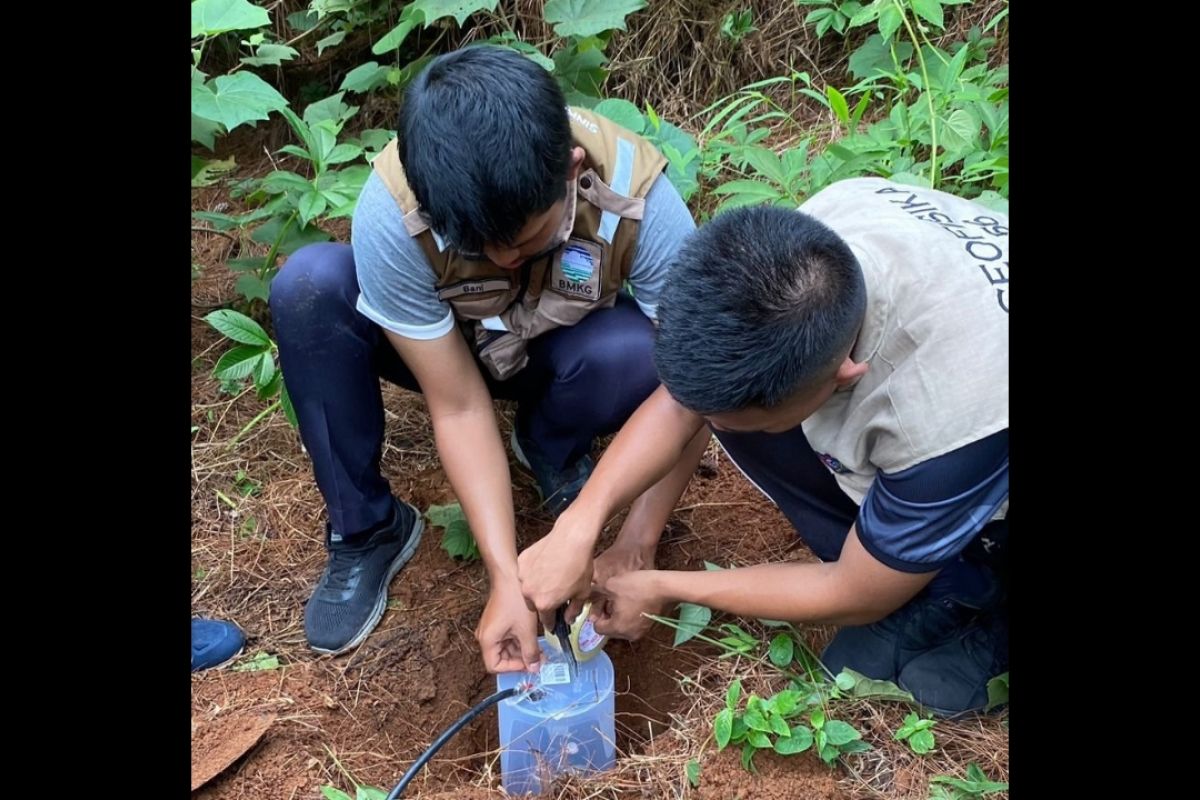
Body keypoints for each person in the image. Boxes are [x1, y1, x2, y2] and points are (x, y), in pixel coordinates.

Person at [268, 45, 697, 671]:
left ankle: (547, 445)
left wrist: (634, 540)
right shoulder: (396, 209)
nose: (503, 260)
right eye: (480, 246)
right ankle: (366, 528)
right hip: (451, 354)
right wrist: (505, 577)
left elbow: (697, 383)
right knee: (311, 285)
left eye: (525, 239)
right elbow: (460, 404)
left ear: (570, 168)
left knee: (642, 354)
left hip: (562, 350)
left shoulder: (640, 200)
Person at [518, 178, 1009, 715]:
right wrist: (584, 525)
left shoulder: (944, 420)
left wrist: (666, 587)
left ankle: (978, 592)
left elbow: (854, 592)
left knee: (923, 681)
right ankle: (917, 560)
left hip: (984, 434)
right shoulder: (814, 246)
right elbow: (684, 404)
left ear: (844, 375)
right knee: (743, 422)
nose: (703, 425)